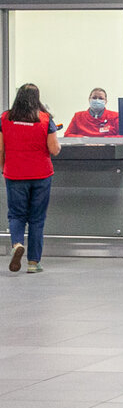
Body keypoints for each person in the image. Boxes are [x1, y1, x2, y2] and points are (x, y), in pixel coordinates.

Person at [1, 83, 60, 274]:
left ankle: (17, 244)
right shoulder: (45, 119)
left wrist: (4, 167)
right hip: (41, 175)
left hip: (15, 173)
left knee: (16, 215)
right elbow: (53, 149)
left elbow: (0, 149)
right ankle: (33, 263)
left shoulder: (5, 118)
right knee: (37, 219)